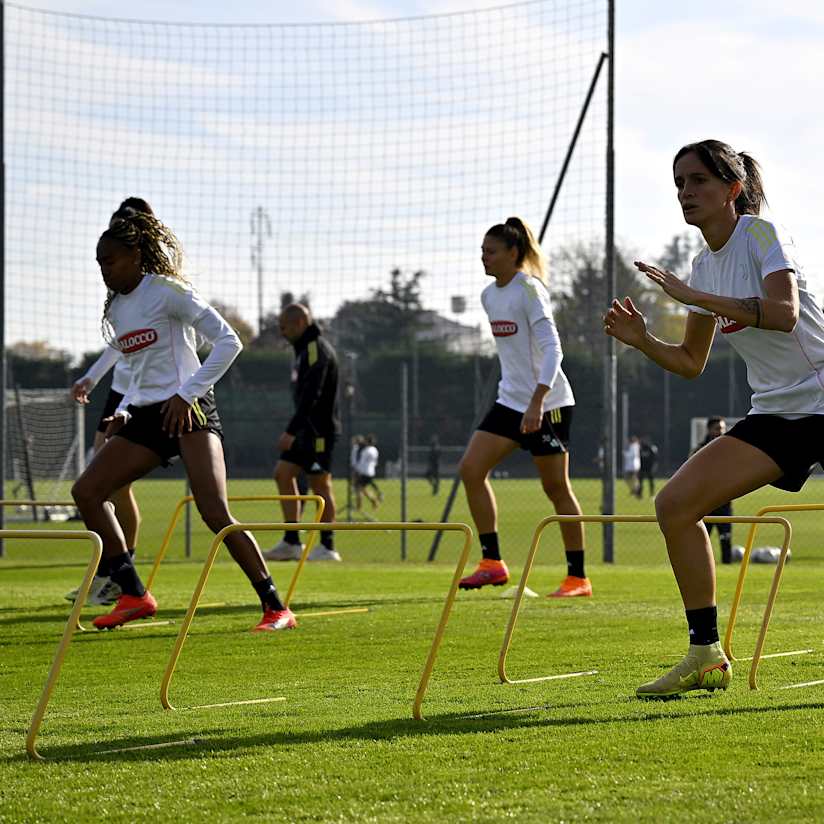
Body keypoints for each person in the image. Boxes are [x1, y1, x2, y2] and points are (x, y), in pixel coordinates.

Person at [603, 138, 824, 698]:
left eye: (698, 180)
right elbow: (688, 363)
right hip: (777, 412)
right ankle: (706, 655)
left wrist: (694, 295)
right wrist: (642, 339)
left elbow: (783, 313)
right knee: (675, 506)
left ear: (733, 189)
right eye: (679, 183)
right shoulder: (703, 265)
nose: (686, 192)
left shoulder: (760, 235)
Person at [72, 210, 295, 632]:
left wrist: (186, 394)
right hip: (146, 416)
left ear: (136, 255)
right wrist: (124, 410)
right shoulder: (119, 307)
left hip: (190, 410)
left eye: (111, 261)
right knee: (87, 491)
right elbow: (139, 373)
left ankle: (276, 606)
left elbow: (230, 341)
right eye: (99, 263)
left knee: (214, 512)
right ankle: (134, 593)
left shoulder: (168, 291)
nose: (104, 270)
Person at [458, 216, 591, 598]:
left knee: (555, 488)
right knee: (471, 468)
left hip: (547, 403)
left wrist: (537, 402)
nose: (483, 257)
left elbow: (553, 349)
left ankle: (578, 578)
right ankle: (492, 563)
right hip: (509, 401)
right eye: (482, 251)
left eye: (491, 251)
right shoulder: (489, 296)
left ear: (513, 253)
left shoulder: (529, 290)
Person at [65, 198, 154, 607]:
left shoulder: (152, 286)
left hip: (139, 396)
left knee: (114, 485)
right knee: (103, 484)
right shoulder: (120, 293)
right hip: (119, 391)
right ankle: (113, 573)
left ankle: (121, 574)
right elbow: (118, 344)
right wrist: (91, 377)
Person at [265, 304, 341, 562]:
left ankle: (328, 547)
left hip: (319, 431)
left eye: (284, 327)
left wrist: (291, 430)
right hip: (304, 431)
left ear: (299, 323)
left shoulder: (314, 350)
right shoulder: (301, 351)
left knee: (321, 483)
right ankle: (291, 541)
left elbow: (312, 395)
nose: (281, 332)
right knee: (283, 473)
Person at [692, 417, 733, 564]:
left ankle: (728, 567)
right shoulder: (699, 451)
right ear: (709, 430)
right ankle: (703, 568)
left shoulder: (731, 449)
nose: (720, 432)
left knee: (726, 538)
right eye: (717, 428)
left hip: (724, 502)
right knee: (703, 540)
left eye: (722, 429)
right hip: (705, 504)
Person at [354, 434, 382, 509]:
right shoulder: (375, 450)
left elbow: (362, 462)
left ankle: (360, 506)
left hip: (364, 472)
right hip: (371, 471)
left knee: (359, 488)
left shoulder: (366, 450)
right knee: (362, 488)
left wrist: (358, 471)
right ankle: (372, 500)